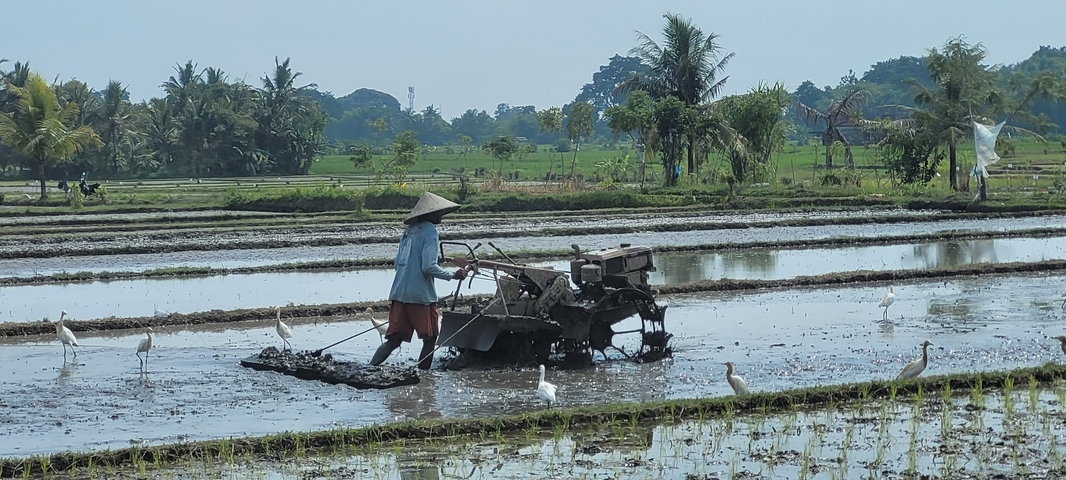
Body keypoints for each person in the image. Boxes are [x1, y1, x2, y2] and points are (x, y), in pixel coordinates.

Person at [371, 192, 467, 370]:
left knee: (393, 340)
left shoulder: (408, 232)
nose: (441, 217)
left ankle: (370, 367)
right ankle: (423, 380)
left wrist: (442, 261)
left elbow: (399, 263)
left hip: (399, 294)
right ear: (429, 214)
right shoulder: (430, 231)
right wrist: (453, 275)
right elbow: (427, 267)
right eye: (438, 213)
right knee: (430, 340)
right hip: (421, 297)